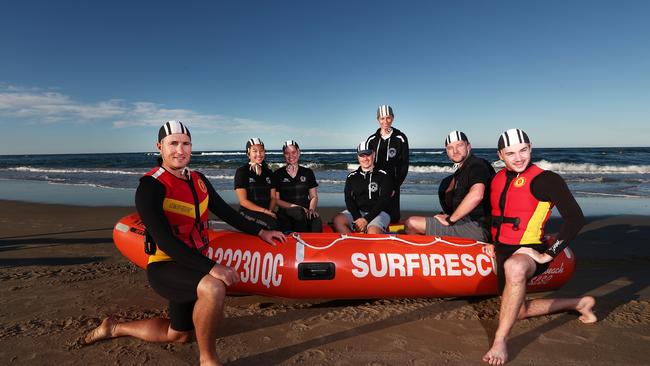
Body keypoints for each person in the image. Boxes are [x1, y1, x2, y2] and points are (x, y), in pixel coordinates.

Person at [83, 121, 286, 366]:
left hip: (193, 263)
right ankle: (208, 360)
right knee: (214, 287)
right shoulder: (150, 187)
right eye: (173, 143)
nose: (180, 150)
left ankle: (114, 328)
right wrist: (213, 267)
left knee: (178, 334)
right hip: (166, 264)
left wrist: (261, 232)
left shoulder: (198, 179)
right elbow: (166, 241)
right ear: (160, 147)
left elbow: (227, 213)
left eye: (186, 144)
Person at [482, 128, 596, 365]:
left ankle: (500, 341)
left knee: (515, 267)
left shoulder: (547, 179)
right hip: (502, 248)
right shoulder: (497, 178)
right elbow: (494, 215)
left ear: (531, 147)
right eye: (510, 153)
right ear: (500, 155)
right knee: (518, 311)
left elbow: (575, 218)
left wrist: (547, 254)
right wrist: (491, 243)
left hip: (529, 249)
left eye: (523, 150)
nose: (518, 157)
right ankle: (579, 303)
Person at [404, 131, 495, 241]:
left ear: (468, 146)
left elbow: (477, 194)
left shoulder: (477, 165)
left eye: (459, 145)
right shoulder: (462, 170)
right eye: (450, 148)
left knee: (411, 223)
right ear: (446, 151)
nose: (455, 151)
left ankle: (423, 256)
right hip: (466, 222)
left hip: (478, 227)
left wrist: (450, 220)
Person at [333, 141, 393, 234]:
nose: (365, 159)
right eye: (362, 155)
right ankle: (352, 244)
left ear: (374, 154)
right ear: (358, 157)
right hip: (358, 213)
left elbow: (383, 200)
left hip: (379, 213)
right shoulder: (351, 176)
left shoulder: (384, 175)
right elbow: (349, 199)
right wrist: (358, 219)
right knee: (338, 220)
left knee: (372, 232)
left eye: (368, 155)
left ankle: (379, 234)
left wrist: (366, 220)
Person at [365, 104, 409, 222]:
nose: (385, 121)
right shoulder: (371, 140)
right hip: (376, 182)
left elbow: (404, 165)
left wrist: (395, 186)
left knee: (393, 215)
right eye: (382, 118)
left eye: (388, 117)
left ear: (393, 118)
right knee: (374, 211)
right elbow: (367, 163)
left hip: (393, 182)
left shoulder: (401, 138)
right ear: (378, 119)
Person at [273, 139, 322, 232]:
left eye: (293, 152)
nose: (291, 156)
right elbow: (276, 200)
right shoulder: (277, 174)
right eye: (287, 153)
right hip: (286, 212)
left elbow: (313, 196)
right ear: (284, 154)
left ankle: (315, 245)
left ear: (299, 152)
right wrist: (297, 208)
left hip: (305, 211)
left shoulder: (308, 172)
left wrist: (311, 209)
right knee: (298, 213)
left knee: (316, 221)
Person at [234, 138, 278, 230]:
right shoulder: (242, 172)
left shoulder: (269, 172)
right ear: (248, 153)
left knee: (284, 222)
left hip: (266, 212)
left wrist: (269, 211)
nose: (259, 154)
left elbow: (273, 197)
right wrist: (265, 212)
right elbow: (243, 201)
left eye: (261, 151)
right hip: (247, 213)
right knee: (272, 225)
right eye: (255, 151)